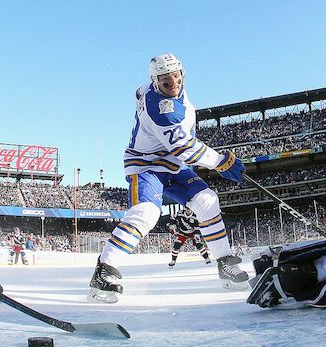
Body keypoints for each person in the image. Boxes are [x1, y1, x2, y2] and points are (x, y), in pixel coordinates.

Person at [89, 53, 248, 303]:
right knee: (147, 213)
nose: (172, 83)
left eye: (175, 77)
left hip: (173, 164)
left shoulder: (151, 90)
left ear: (182, 74)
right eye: (165, 81)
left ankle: (225, 262)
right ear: (156, 81)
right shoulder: (163, 109)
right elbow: (184, 148)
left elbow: (137, 93)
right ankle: (104, 270)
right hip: (146, 165)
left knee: (207, 200)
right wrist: (221, 162)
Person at [247, 239, 326, 309]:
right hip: (300, 266)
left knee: (292, 277)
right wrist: (276, 253)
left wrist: (289, 301)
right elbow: (312, 247)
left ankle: (273, 294)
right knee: (291, 272)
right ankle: (273, 289)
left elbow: (314, 298)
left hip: (305, 281)